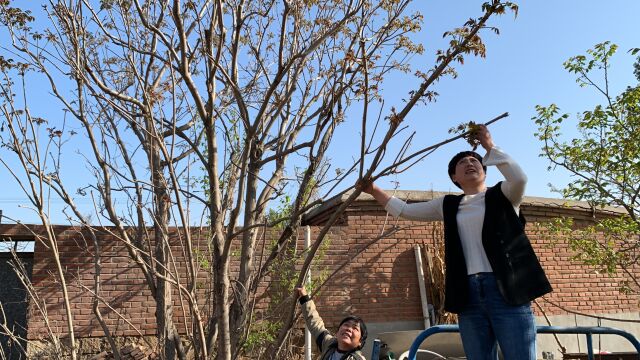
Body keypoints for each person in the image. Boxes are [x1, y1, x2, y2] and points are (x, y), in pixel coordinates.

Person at [360, 125, 552, 360]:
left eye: (475, 160)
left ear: (485, 169)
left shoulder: (504, 194)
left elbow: (520, 177)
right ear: (454, 177)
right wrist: (373, 190)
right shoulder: (448, 204)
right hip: (468, 293)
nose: (470, 163)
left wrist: (490, 146)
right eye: (463, 163)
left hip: (507, 290)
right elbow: (405, 211)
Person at [295, 286, 368, 360]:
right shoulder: (328, 345)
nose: (348, 329)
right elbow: (315, 323)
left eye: (355, 328)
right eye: (346, 324)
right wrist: (304, 297)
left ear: (360, 342)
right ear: (337, 332)